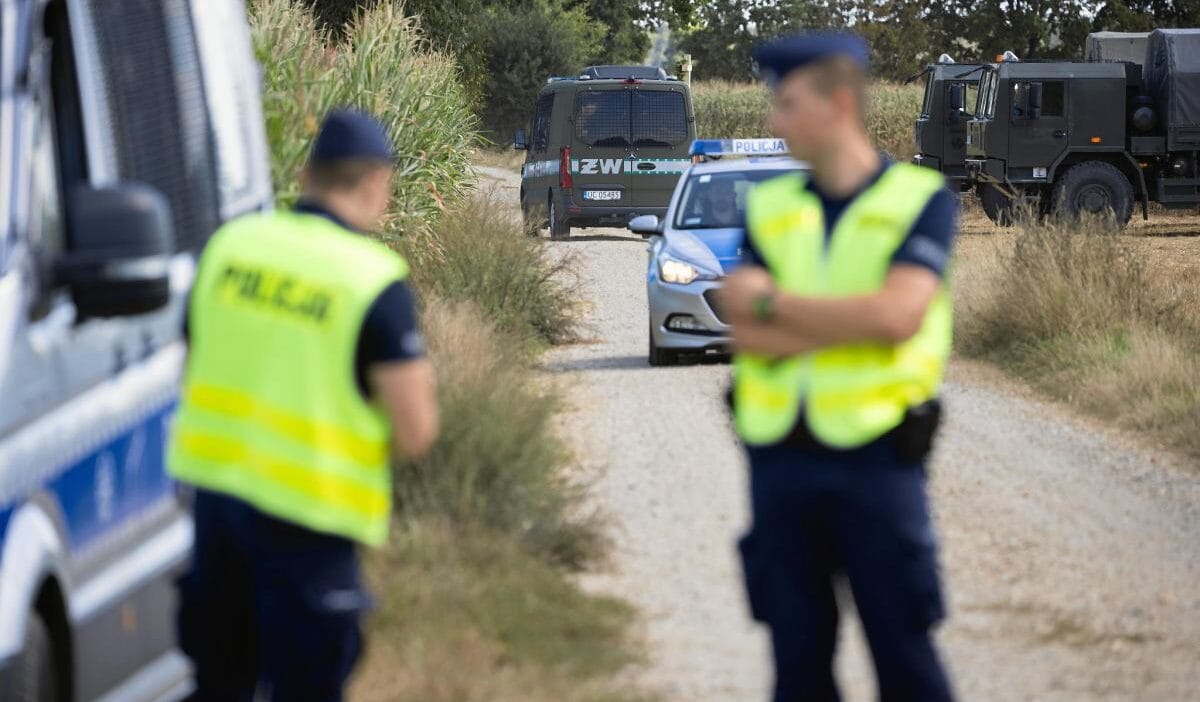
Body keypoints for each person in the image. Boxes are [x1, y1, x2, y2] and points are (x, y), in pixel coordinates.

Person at [718, 33, 958, 702]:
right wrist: (841, 323)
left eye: (787, 104)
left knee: (905, 662)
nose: (775, 121)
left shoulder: (920, 199)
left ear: (839, 102)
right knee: (797, 670)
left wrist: (775, 303)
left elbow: (896, 319)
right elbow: (744, 333)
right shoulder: (770, 206)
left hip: (878, 463)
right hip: (780, 465)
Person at [168, 108, 439, 701]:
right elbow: (416, 430)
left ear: (307, 173)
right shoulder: (372, 279)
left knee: (220, 685)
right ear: (374, 183)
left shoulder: (230, 247)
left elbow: (193, 367)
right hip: (311, 527)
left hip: (218, 512)